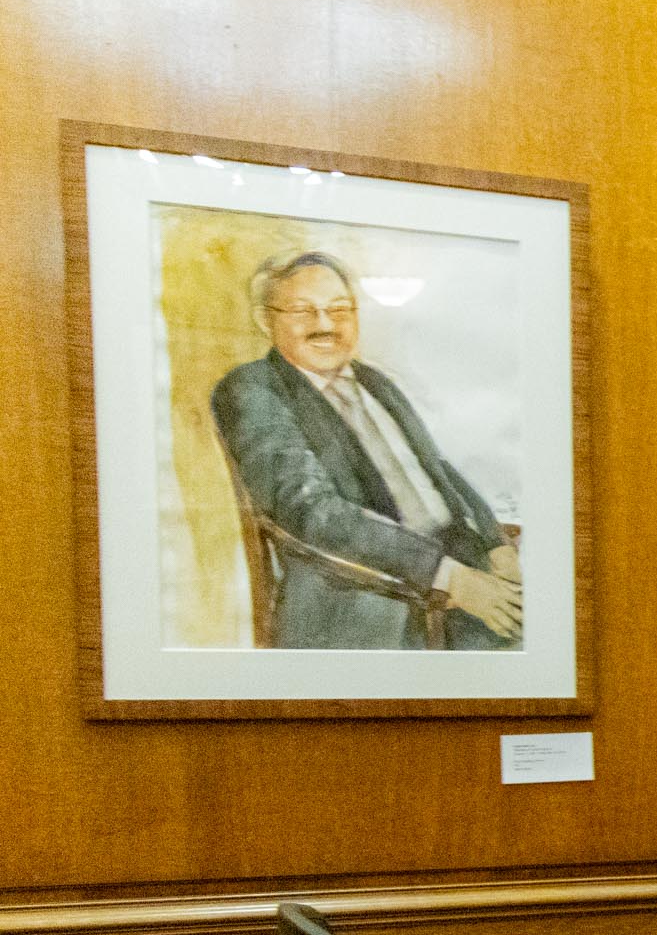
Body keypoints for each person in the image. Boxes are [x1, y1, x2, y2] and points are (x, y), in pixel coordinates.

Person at [210, 250, 522, 650]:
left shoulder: (375, 382)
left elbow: (437, 470)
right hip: (371, 600)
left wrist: (495, 543)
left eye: (339, 310)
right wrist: (448, 578)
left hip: (461, 576)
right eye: (303, 312)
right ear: (264, 319)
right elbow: (312, 511)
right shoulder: (253, 389)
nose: (325, 325)